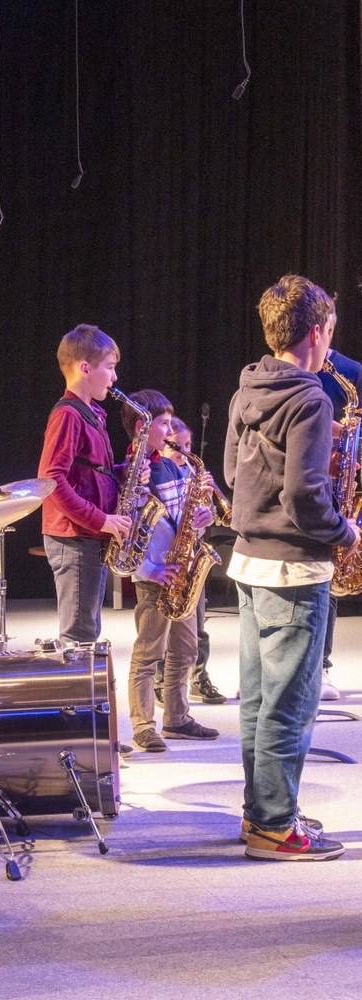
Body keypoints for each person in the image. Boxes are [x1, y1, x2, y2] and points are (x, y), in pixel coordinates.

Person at [224, 274, 360, 860]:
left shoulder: (247, 388)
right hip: (295, 570)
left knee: (258, 704)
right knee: (290, 706)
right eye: (331, 331)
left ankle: (261, 813)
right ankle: (276, 828)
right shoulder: (310, 398)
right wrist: (346, 531)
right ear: (317, 331)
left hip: (249, 562)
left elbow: (233, 475)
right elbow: (305, 498)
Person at [122, 390, 220, 752]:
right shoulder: (136, 473)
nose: (170, 431)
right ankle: (143, 725)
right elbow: (129, 532)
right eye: (164, 424)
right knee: (149, 653)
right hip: (156, 577)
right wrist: (148, 570)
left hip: (184, 572)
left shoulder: (176, 469)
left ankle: (177, 718)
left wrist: (203, 520)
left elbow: (186, 520)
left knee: (186, 651)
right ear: (143, 427)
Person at [37, 324, 132, 644]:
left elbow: (88, 471)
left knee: (87, 631)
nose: (114, 377)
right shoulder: (69, 415)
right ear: (85, 368)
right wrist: (101, 519)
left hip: (86, 535)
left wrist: (122, 472)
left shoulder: (92, 414)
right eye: (110, 367)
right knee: (78, 638)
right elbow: (51, 479)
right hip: (75, 536)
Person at [153, 417, 227, 706]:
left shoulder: (193, 475)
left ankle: (198, 676)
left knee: (197, 625)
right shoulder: (158, 474)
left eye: (188, 445)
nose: (184, 452)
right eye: (177, 446)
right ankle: (160, 680)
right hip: (166, 560)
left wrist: (208, 513)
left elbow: (206, 519)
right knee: (164, 627)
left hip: (192, 557)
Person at [316, 336, 362, 701]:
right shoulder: (292, 368)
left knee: (330, 575)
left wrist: (349, 448)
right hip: (307, 476)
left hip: (337, 480)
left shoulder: (350, 372)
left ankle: (322, 666)